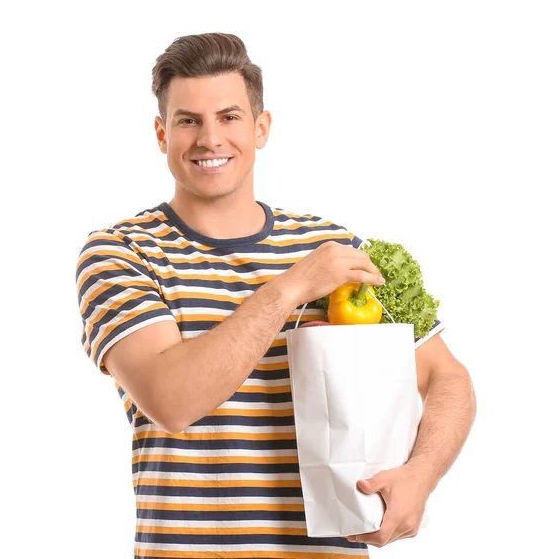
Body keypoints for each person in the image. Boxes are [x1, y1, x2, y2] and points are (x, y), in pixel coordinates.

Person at [75, 32, 476, 557]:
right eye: (188, 120)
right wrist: (290, 289)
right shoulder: (121, 253)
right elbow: (172, 402)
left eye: (229, 117)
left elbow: (447, 376)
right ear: (161, 133)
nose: (209, 139)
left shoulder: (332, 250)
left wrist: (421, 476)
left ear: (261, 128)